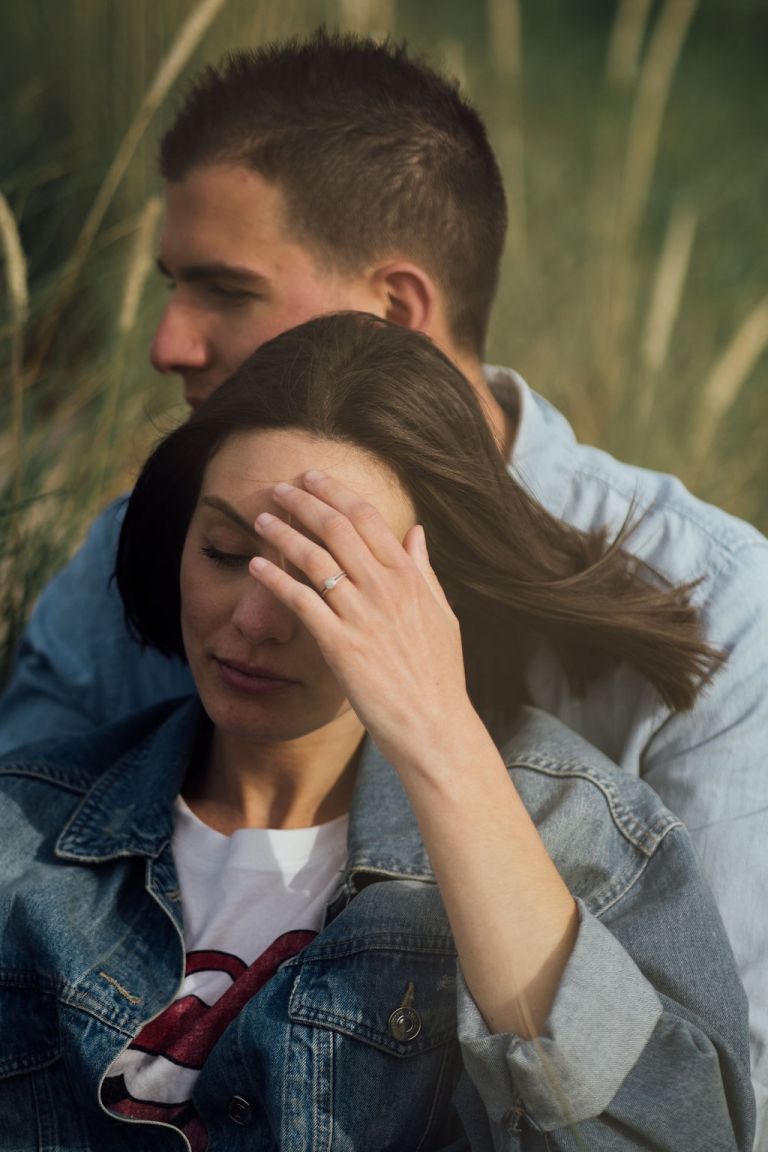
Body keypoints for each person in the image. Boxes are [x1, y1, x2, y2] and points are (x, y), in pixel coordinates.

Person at [0, 29, 766, 1138]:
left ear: (392, 315)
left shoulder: (714, 610)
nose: (165, 341)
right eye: (222, 551)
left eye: (223, 288)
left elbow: (705, 1107)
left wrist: (440, 743)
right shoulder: (130, 559)